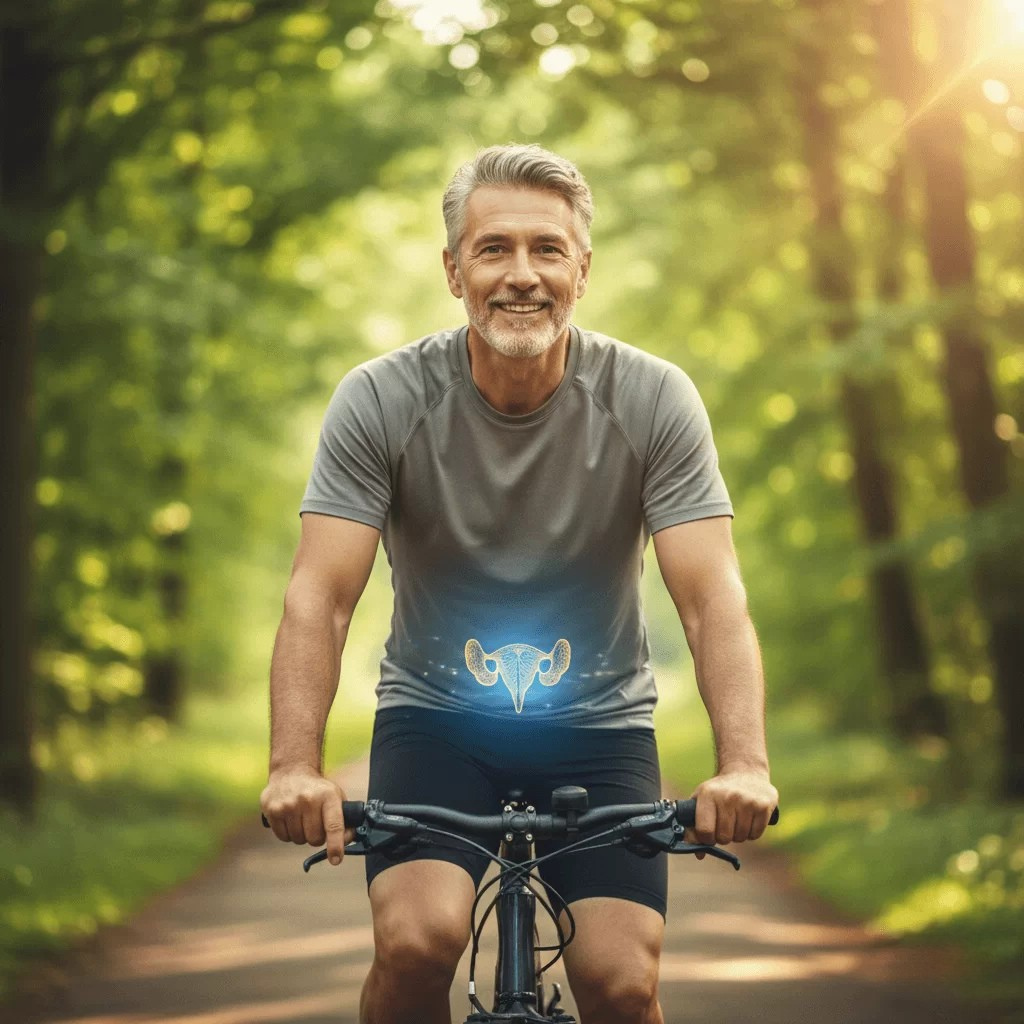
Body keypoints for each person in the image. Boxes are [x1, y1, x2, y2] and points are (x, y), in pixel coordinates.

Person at [260, 143, 778, 1024]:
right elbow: (322, 594)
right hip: (434, 719)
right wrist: (294, 767)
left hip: (601, 724)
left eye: (547, 249)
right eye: (494, 248)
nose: (522, 275)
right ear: (454, 270)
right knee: (418, 943)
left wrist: (746, 765)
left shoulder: (653, 398)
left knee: (620, 983)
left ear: (583, 266)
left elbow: (710, 595)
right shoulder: (380, 398)